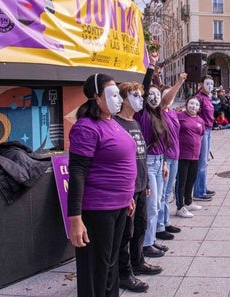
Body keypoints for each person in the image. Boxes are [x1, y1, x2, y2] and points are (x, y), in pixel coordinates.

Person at [67, 73, 137, 296]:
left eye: (118, 93)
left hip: (119, 206)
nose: (117, 98)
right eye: (112, 93)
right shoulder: (86, 127)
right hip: (98, 209)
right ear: (96, 96)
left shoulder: (111, 122)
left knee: (110, 264)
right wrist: (75, 218)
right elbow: (77, 172)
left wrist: (127, 197)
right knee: (96, 269)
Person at [115, 81, 161, 292]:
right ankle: (124, 273)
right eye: (135, 95)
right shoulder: (116, 124)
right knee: (126, 232)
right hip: (127, 189)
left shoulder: (134, 122)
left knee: (141, 225)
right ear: (123, 99)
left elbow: (140, 156)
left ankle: (138, 261)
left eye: (140, 95)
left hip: (141, 185)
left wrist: (145, 184)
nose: (140, 99)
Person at [134, 62, 171, 259]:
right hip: (147, 163)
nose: (155, 97)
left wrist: (164, 162)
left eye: (159, 95)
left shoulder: (159, 115)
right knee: (152, 204)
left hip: (158, 162)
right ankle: (146, 244)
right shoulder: (141, 114)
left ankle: (151, 239)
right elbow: (145, 89)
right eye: (152, 95)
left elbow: (163, 142)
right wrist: (151, 71)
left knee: (156, 202)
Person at [156, 73, 188, 241]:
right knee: (161, 193)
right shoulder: (160, 112)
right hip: (165, 157)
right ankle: (159, 226)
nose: (173, 97)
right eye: (170, 95)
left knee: (168, 192)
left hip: (175, 155)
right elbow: (165, 99)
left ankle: (166, 221)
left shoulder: (172, 113)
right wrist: (179, 82)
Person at [176, 97, 205, 218]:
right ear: (186, 104)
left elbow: (201, 135)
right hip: (183, 154)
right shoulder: (179, 116)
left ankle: (188, 202)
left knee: (191, 179)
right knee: (181, 181)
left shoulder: (200, 120)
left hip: (195, 155)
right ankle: (180, 206)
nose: (193, 106)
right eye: (191, 103)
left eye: (196, 105)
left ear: (199, 108)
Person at [193, 76, 216, 201]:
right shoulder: (199, 98)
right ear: (201, 84)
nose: (210, 86)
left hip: (209, 130)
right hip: (202, 131)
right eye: (207, 84)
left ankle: (203, 186)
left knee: (205, 161)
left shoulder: (207, 98)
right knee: (201, 162)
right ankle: (198, 191)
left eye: (212, 84)